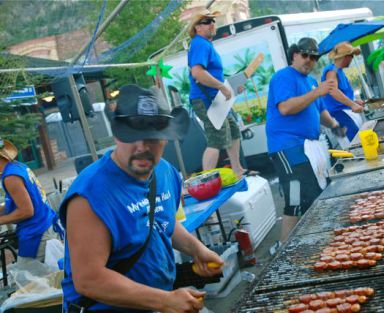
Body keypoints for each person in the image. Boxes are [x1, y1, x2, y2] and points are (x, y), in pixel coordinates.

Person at [59, 85, 224, 313]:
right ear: (117, 135)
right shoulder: (90, 194)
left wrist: (196, 249)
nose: (142, 147)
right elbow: (89, 279)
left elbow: (161, 220)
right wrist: (164, 301)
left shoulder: (165, 172)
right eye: (133, 137)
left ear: (166, 138)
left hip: (154, 302)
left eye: (153, 138)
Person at [266, 37, 346, 242]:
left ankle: (310, 242)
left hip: (308, 148)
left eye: (314, 57)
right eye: (305, 55)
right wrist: (318, 91)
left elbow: (320, 112)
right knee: (297, 198)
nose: (309, 60)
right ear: (294, 55)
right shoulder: (283, 77)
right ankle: (291, 247)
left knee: (312, 194)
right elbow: (285, 107)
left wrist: (335, 126)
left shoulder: (311, 82)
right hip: (287, 148)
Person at [188, 10, 253, 178]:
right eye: (207, 21)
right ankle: (207, 179)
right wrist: (222, 87)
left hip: (214, 99)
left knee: (233, 130)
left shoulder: (205, 44)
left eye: (213, 21)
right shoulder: (200, 44)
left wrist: (230, 87)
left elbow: (209, 74)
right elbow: (197, 73)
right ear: (197, 27)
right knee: (216, 138)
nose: (212, 24)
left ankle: (237, 169)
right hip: (205, 99)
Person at [0, 138, 61, 263]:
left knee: (28, 279)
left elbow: (26, 211)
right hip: (43, 225)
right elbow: (20, 201)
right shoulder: (18, 166)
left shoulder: (10, 177)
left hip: (37, 233)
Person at [321, 42, 365, 142]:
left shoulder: (339, 71)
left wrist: (354, 102)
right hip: (337, 113)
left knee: (358, 137)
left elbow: (342, 94)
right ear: (346, 57)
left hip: (343, 111)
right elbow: (333, 90)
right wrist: (352, 105)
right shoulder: (331, 71)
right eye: (351, 56)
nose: (352, 58)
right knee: (355, 140)